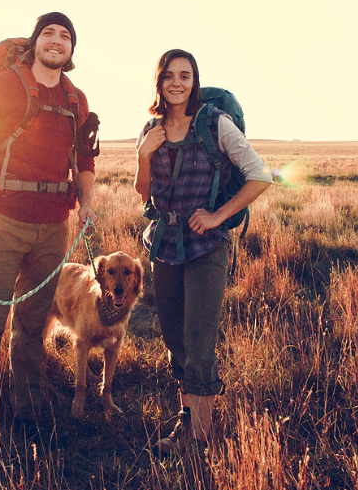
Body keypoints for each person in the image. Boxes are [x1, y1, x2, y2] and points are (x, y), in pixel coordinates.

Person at [0, 12, 97, 443]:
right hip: (0, 222)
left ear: (71, 52)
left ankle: (28, 411)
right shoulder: (1, 87)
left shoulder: (77, 99)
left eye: (65, 35)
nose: (57, 40)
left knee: (33, 325)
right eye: (48, 32)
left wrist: (86, 204)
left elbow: (85, 161)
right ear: (34, 43)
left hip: (54, 229)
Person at [135, 49, 272, 455]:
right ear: (158, 82)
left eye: (186, 75)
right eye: (170, 75)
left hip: (206, 246)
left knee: (199, 340)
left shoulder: (216, 123)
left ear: (195, 81)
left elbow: (260, 175)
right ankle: (187, 421)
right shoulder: (151, 128)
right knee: (174, 337)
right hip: (165, 244)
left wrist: (218, 216)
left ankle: (199, 435)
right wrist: (143, 154)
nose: (177, 82)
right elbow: (144, 192)